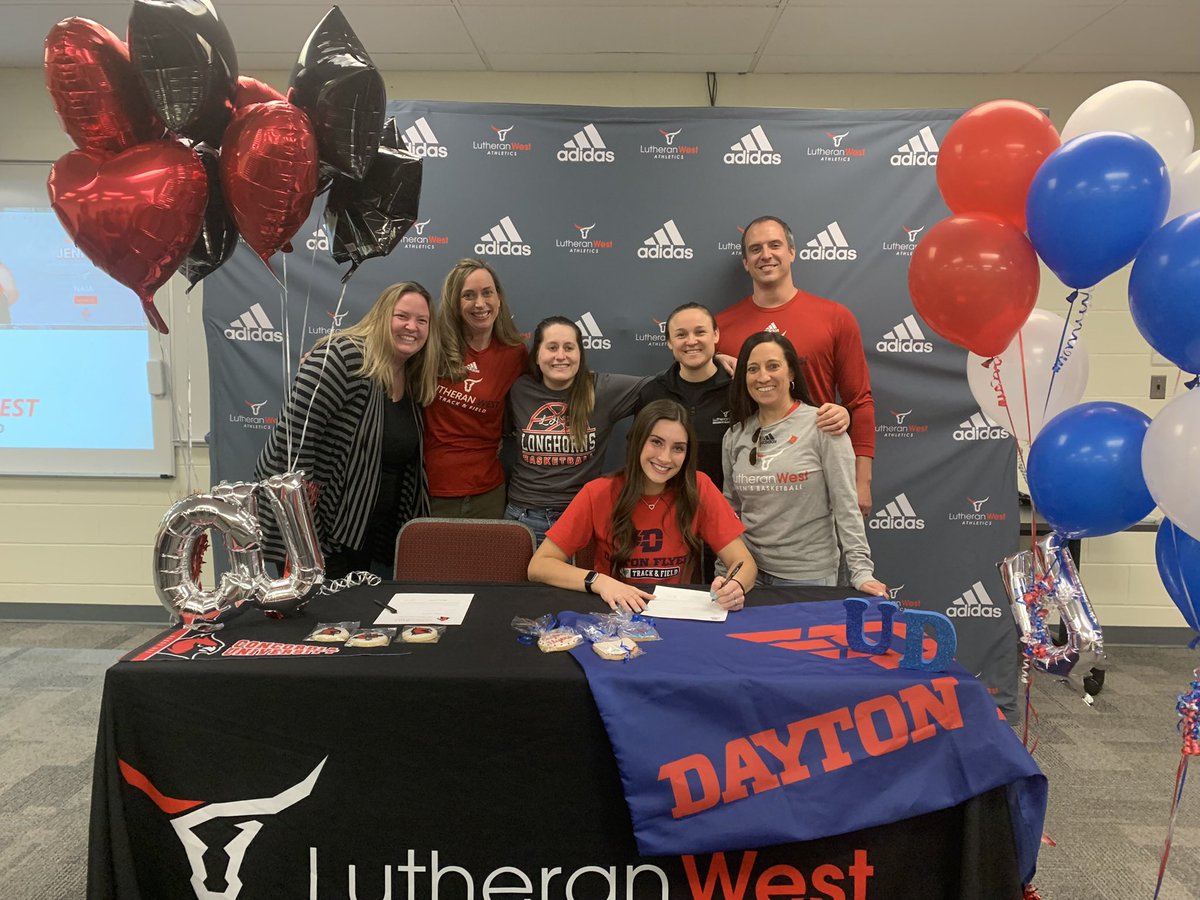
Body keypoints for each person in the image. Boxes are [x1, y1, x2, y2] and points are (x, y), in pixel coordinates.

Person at [255, 281, 440, 579]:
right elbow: (292, 444)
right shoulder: (341, 357)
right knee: (317, 620)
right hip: (316, 531)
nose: (412, 327)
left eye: (422, 321)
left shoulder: (411, 375)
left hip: (359, 531)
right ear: (381, 316)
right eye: (402, 316)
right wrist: (307, 535)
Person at [528, 399, 757, 613]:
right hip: (615, 612)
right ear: (638, 441)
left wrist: (735, 585)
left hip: (677, 613)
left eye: (678, 448)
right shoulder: (598, 492)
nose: (665, 458)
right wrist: (599, 581)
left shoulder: (699, 487)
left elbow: (744, 562)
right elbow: (539, 566)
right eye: (656, 442)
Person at [716, 216, 875, 516]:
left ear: (792, 252)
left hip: (818, 476)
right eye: (755, 249)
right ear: (745, 263)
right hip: (751, 481)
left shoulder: (835, 318)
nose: (766, 255)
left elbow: (860, 402)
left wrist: (861, 480)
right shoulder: (720, 328)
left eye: (775, 245)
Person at [722, 332, 886, 595]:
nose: (763, 377)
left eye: (773, 366)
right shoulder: (735, 436)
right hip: (748, 574)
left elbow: (846, 505)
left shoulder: (823, 425)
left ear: (791, 374)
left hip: (806, 576)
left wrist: (861, 571)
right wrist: (727, 570)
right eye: (753, 369)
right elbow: (730, 508)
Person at [639, 302, 849, 492]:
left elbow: (785, 417)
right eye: (681, 335)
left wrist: (842, 413)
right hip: (666, 512)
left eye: (700, 332)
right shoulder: (652, 393)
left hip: (725, 514)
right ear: (668, 342)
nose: (691, 341)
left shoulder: (742, 390)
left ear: (716, 335)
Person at [506, 316, 650, 543]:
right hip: (524, 518)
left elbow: (665, 385)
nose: (561, 356)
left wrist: (712, 363)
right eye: (552, 348)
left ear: (580, 354)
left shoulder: (602, 389)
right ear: (537, 354)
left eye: (569, 348)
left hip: (581, 514)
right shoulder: (519, 389)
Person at [424, 258, 528, 519]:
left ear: (499, 298)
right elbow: (385, 353)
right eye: (468, 295)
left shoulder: (514, 354)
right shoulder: (432, 345)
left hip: (488, 491)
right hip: (431, 488)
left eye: (487, 293)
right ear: (455, 304)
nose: (480, 304)